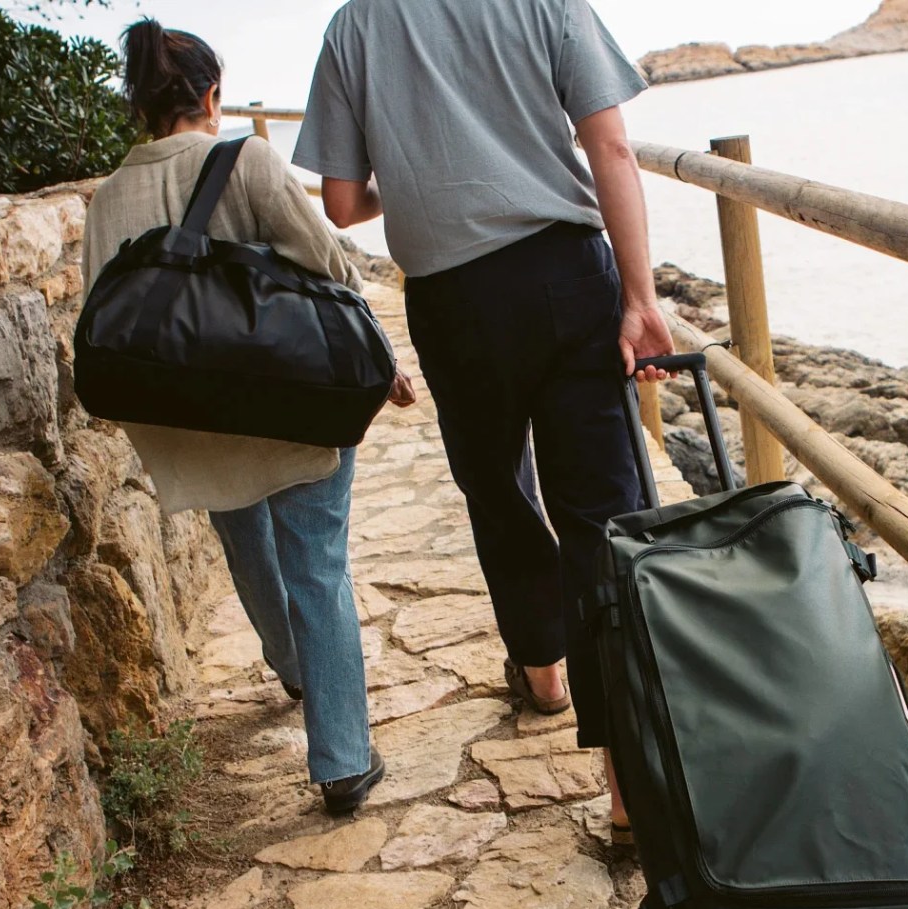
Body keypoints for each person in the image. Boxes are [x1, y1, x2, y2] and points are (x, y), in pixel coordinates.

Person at [295, 0, 674, 839]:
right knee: (602, 519)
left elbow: (343, 201)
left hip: (453, 302)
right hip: (566, 277)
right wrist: (642, 300)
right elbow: (609, 145)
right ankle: (626, 794)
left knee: (498, 491)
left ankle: (541, 672)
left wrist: (431, 167)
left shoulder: (354, 27)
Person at [83, 19, 413, 814]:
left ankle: (293, 667)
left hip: (185, 418)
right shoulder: (247, 158)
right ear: (211, 95)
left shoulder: (108, 198)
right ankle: (340, 761)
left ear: (141, 105)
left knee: (248, 545)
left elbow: (100, 313)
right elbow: (327, 265)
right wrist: (386, 363)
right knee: (317, 566)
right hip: (287, 399)